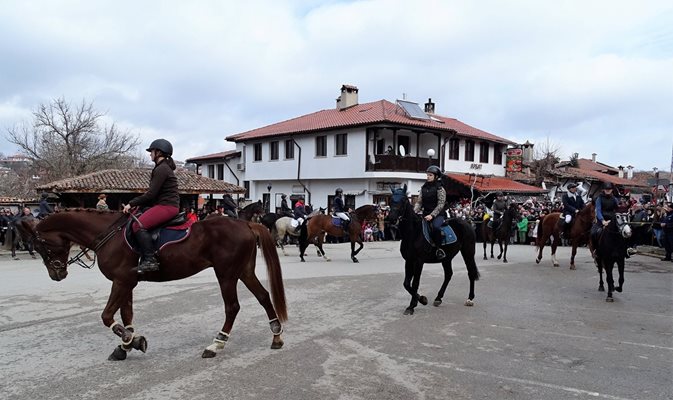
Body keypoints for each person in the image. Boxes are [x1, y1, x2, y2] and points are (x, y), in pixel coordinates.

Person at [123, 139, 179, 273]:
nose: (150, 155)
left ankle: (150, 260)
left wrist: (131, 204)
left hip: (167, 206)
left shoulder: (162, 169)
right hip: (163, 204)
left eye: (151, 152)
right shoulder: (162, 168)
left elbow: (151, 194)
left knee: (138, 225)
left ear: (158, 152)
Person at [414, 165, 447, 259]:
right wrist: (415, 211)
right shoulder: (423, 188)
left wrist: (432, 215)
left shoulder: (440, 189)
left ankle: (439, 249)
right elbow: (419, 202)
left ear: (436, 176)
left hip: (438, 215)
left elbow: (441, 204)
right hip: (425, 214)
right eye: (427, 175)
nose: (428, 177)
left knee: (436, 227)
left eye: (430, 175)